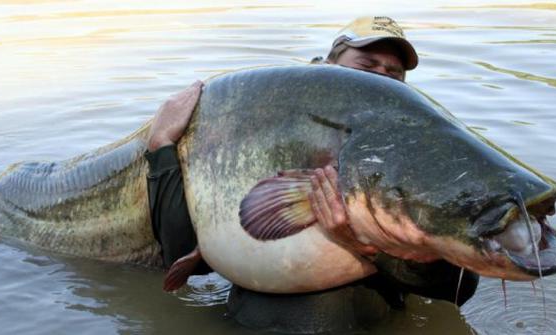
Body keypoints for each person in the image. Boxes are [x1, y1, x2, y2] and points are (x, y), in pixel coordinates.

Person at [145, 16, 478, 306]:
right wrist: (161, 147)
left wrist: (367, 245)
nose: (381, 77)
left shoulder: (413, 148)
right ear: (328, 65)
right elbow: (182, 248)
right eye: (367, 65)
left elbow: (460, 287)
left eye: (394, 72)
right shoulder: (267, 126)